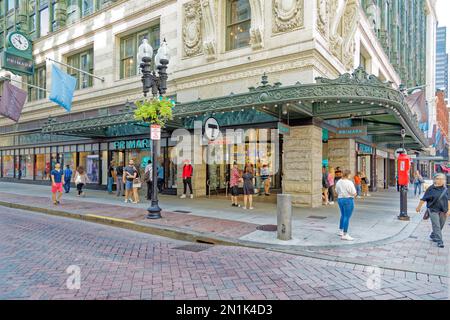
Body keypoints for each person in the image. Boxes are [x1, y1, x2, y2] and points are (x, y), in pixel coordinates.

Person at [416, 173, 449, 248]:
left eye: (442, 179)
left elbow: (449, 200)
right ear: (434, 180)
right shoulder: (431, 188)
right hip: (433, 210)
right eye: (438, 179)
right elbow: (424, 198)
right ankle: (440, 241)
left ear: (444, 180)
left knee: (441, 225)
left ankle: (433, 234)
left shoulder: (446, 189)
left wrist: (449, 210)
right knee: (436, 225)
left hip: (443, 210)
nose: (440, 181)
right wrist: (419, 207)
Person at [335, 170, 357, 241]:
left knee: (343, 215)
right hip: (348, 200)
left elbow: (336, 191)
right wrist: (353, 195)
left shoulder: (339, 181)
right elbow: (354, 193)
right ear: (348, 175)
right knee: (347, 217)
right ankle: (345, 234)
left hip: (340, 199)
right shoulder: (349, 182)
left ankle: (341, 231)